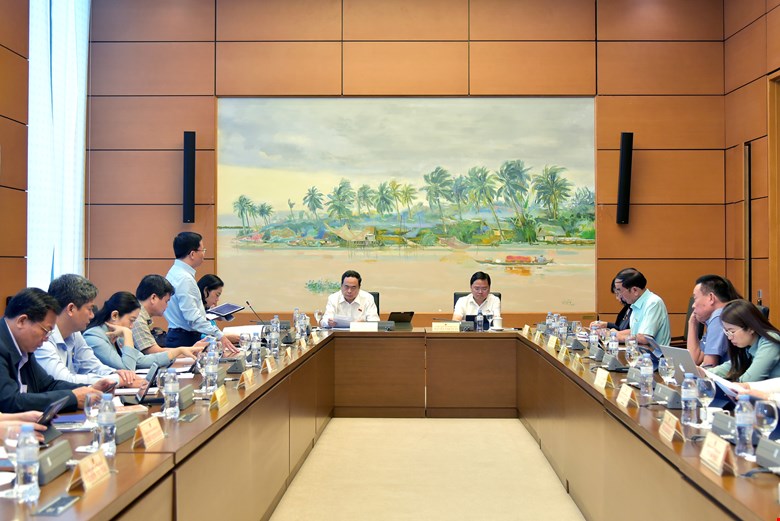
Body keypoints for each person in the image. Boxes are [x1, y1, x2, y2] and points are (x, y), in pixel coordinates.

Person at [0, 288, 105, 413]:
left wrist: (88, 389)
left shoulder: (24, 347)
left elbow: (48, 385)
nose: (46, 339)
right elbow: (9, 401)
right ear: (22, 321)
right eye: (46, 331)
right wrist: (72, 397)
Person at [36, 274, 144, 389]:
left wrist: (116, 374)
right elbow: (63, 380)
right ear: (71, 309)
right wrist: (118, 380)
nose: (92, 315)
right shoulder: (43, 338)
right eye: (89, 309)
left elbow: (93, 366)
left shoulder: (74, 334)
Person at [84, 291, 200, 371]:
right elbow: (128, 369)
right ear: (115, 315)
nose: (131, 326)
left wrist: (179, 351)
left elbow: (141, 360)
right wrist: (128, 334)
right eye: (131, 320)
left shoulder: (118, 334)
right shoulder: (94, 337)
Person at [164, 232, 238, 354]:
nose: (204, 253)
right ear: (192, 254)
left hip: (178, 335)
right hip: (184, 338)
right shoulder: (184, 279)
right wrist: (219, 335)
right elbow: (192, 318)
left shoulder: (174, 272)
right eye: (202, 250)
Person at [707, 299, 780, 383]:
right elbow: (731, 366)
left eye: (732, 331)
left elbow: (749, 379)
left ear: (750, 328)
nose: (729, 337)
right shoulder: (747, 347)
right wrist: (703, 373)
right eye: (726, 332)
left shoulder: (770, 341)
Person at [686, 274, 740, 367]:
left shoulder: (719, 317)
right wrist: (692, 323)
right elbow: (695, 359)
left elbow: (709, 366)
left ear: (711, 298)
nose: (693, 305)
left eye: (695, 298)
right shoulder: (721, 314)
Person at [611, 268, 671, 345]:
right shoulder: (636, 304)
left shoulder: (653, 303)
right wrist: (615, 333)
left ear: (634, 290)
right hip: (637, 352)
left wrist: (617, 337)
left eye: (619, 291)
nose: (619, 296)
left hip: (653, 356)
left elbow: (644, 338)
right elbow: (635, 331)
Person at [198, 274, 239, 344]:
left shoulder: (207, 311)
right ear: (206, 291)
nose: (217, 299)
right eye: (217, 295)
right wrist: (224, 337)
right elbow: (200, 336)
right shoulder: (195, 310)